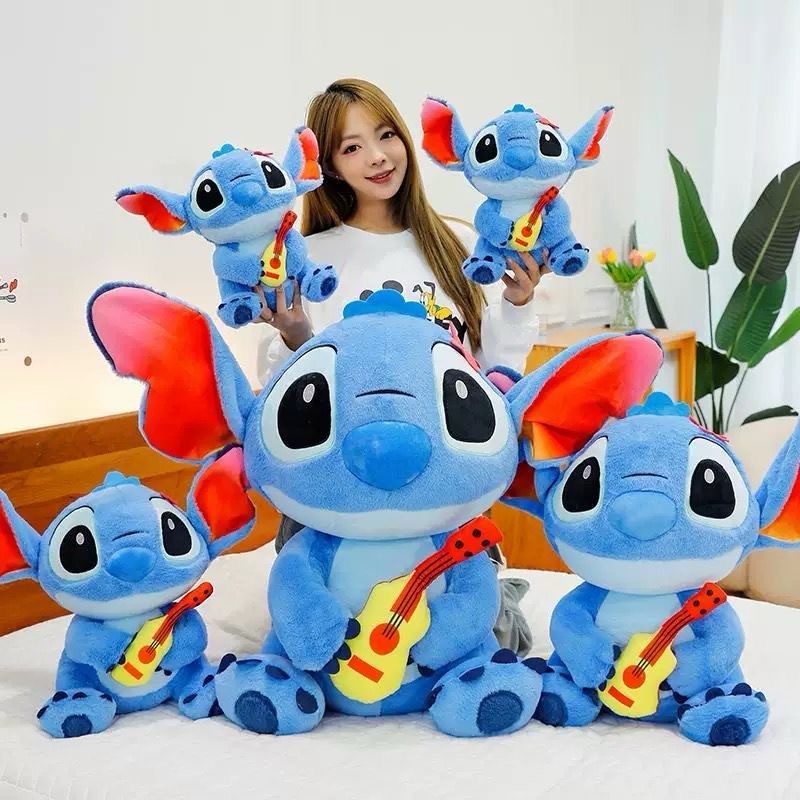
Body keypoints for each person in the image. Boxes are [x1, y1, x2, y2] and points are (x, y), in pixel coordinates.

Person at [257, 79, 550, 655]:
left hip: (441, 487)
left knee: (479, 640)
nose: (377, 156)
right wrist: (295, 336)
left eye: (386, 135)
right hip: (346, 494)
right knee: (326, 638)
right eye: (352, 147)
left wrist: (518, 303)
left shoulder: (460, 241)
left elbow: (493, 378)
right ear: (330, 166)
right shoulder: (311, 258)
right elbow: (287, 405)